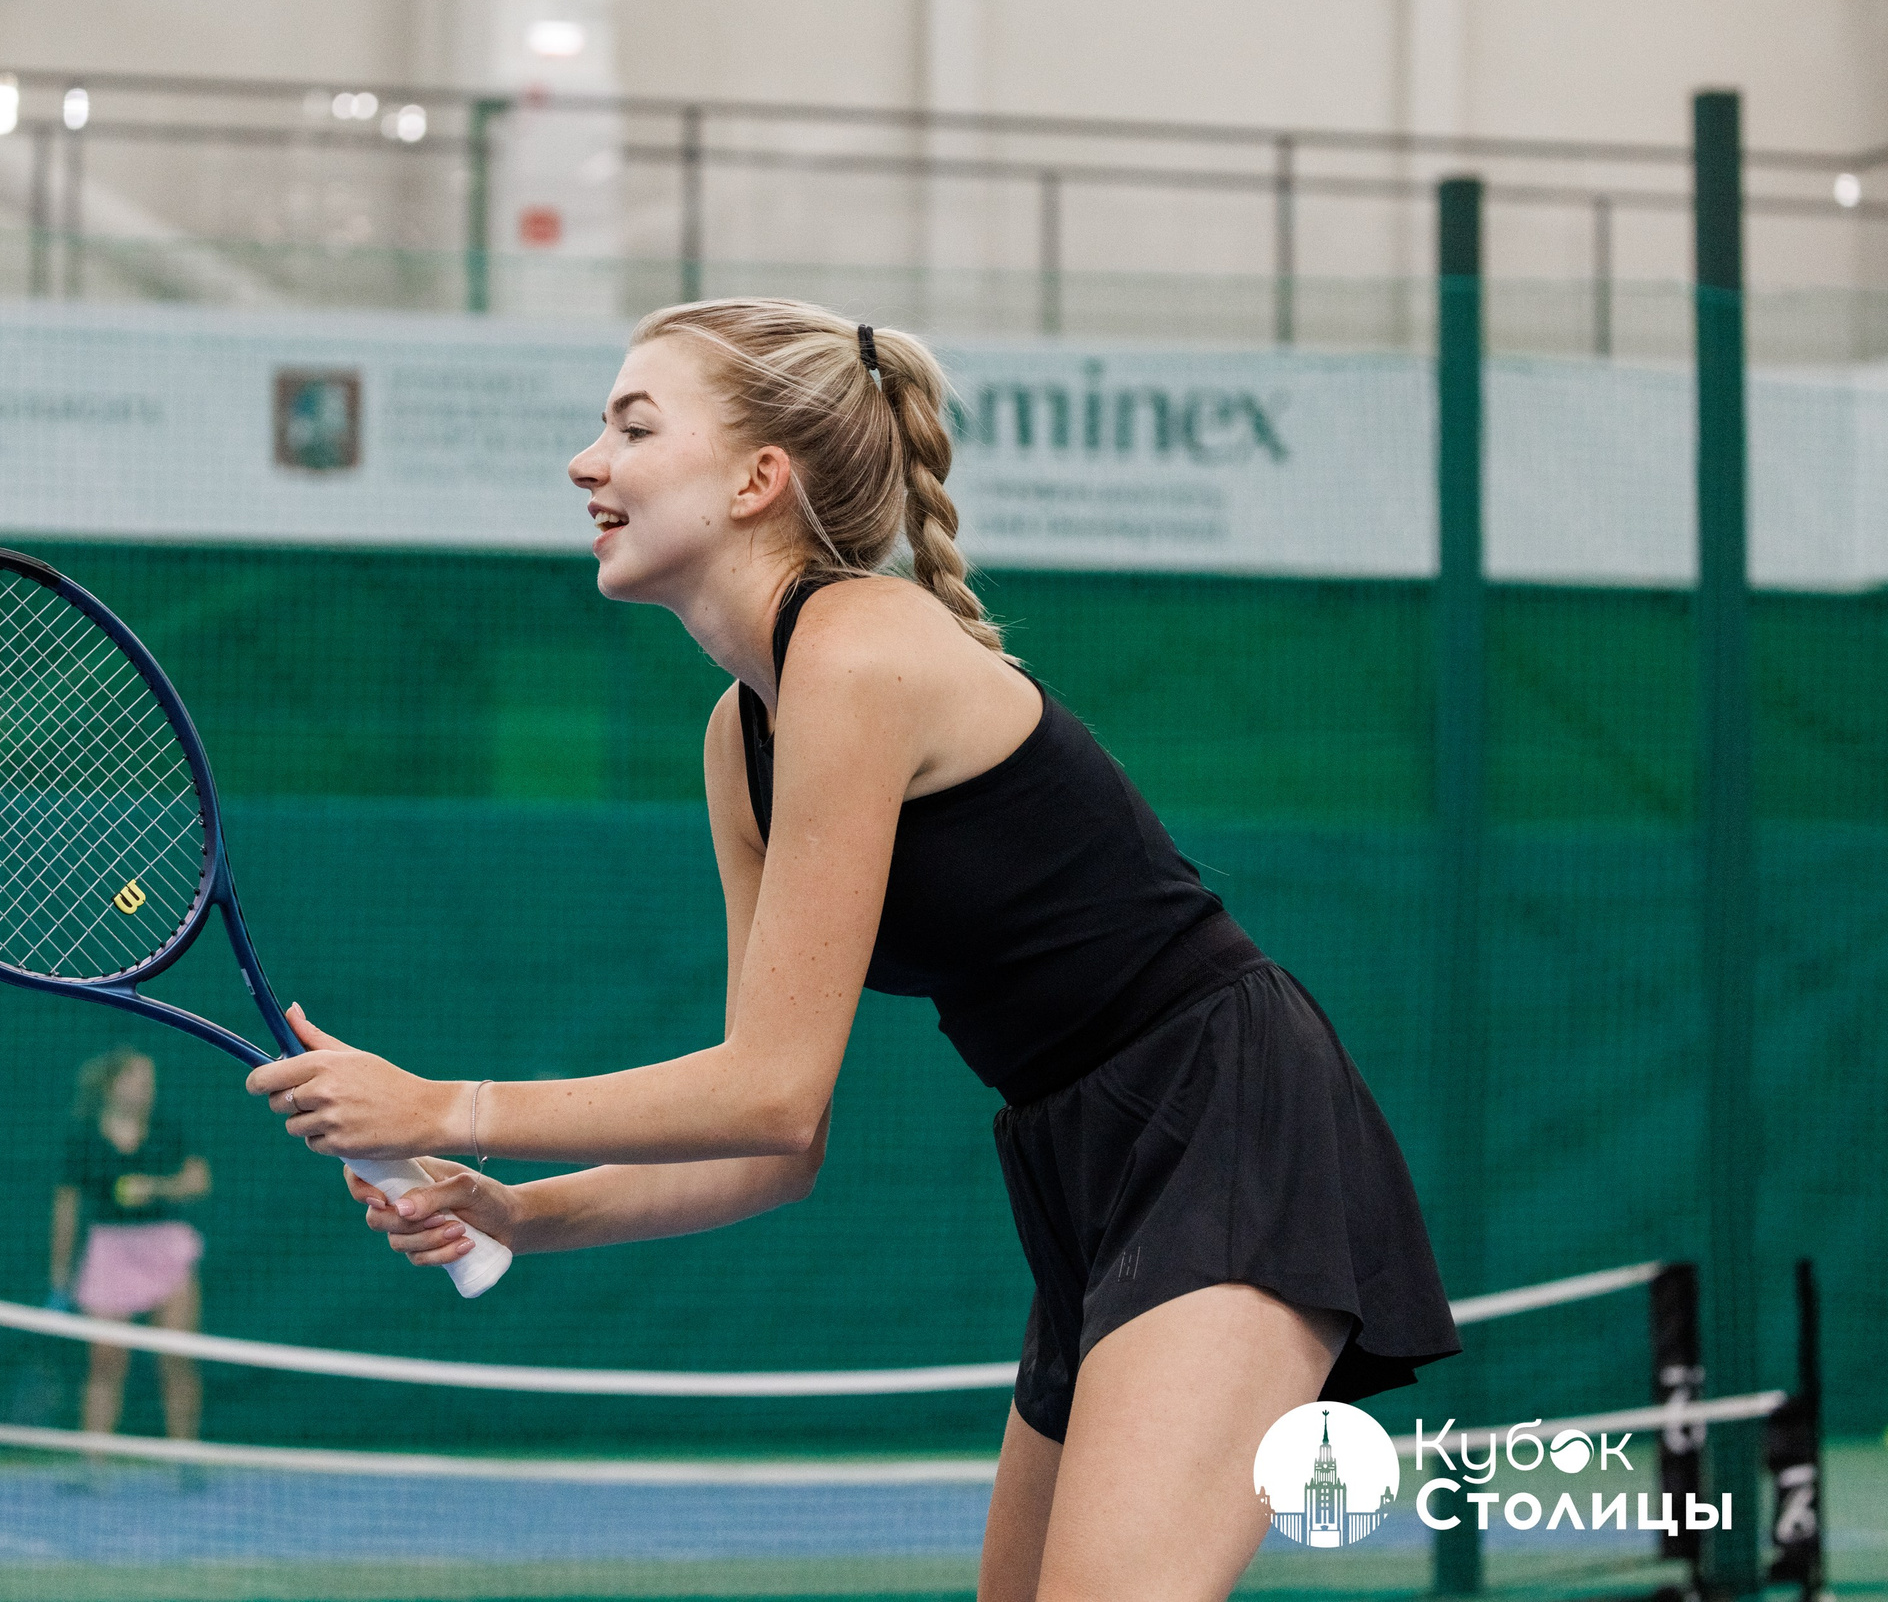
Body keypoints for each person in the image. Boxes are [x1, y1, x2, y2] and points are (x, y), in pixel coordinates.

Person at [244, 298, 1459, 1601]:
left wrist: (448, 1105)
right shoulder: (740, 737)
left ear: (761, 479)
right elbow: (772, 1147)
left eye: (633, 425)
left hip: (1229, 1128)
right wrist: (513, 1214)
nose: (585, 461)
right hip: (1080, 1167)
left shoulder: (859, 649)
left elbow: (775, 1086)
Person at [51, 1046, 211, 1443]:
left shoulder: (167, 1130)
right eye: (136, 1080)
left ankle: (184, 1457)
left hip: (165, 1248)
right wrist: (59, 1277)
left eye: (149, 1081)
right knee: (105, 1360)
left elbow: (199, 1181)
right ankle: (94, 1462)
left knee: (176, 1357)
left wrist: (154, 1187)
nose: (146, 1089)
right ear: (111, 1086)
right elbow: (66, 1209)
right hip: (109, 1252)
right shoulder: (84, 1138)